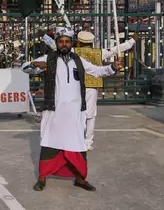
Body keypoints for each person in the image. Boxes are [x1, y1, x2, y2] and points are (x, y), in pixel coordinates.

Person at [22, 27, 122, 192]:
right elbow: (25, 68)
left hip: (75, 112)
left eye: (67, 41)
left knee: (78, 145)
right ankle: (42, 179)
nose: (64, 44)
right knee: (48, 143)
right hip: (53, 112)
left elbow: (98, 71)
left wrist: (113, 67)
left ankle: (80, 179)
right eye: (61, 41)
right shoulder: (48, 58)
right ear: (57, 43)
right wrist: (34, 64)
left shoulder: (79, 60)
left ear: (72, 43)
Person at [75, 31, 136, 151]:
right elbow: (116, 49)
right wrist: (132, 41)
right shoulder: (99, 52)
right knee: (90, 115)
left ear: (78, 41)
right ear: (92, 42)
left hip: (76, 86)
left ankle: (77, 138)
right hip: (91, 86)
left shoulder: (73, 52)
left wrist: (47, 38)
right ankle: (88, 142)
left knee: (76, 113)